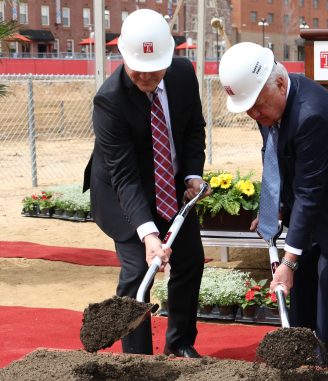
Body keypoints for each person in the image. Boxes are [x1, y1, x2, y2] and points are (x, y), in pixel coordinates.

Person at [218, 42, 328, 367]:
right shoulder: (267, 102)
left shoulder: (312, 115)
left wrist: (288, 263)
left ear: (279, 84)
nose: (254, 115)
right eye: (248, 108)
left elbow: (310, 193)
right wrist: (272, 207)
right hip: (316, 207)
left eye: (257, 107)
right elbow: (276, 157)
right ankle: (302, 360)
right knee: (303, 286)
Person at [83, 9, 210, 358]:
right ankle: (137, 359)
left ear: (169, 59)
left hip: (171, 187)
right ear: (123, 56)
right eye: (137, 67)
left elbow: (193, 129)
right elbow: (124, 176)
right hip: (124, 194)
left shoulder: (184, 75)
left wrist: (191, 175)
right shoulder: (109, 101)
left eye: (154, 69)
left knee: (189, 261)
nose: (145, 75)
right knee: (140, 270)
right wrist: (149, 233)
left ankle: (180, 344)